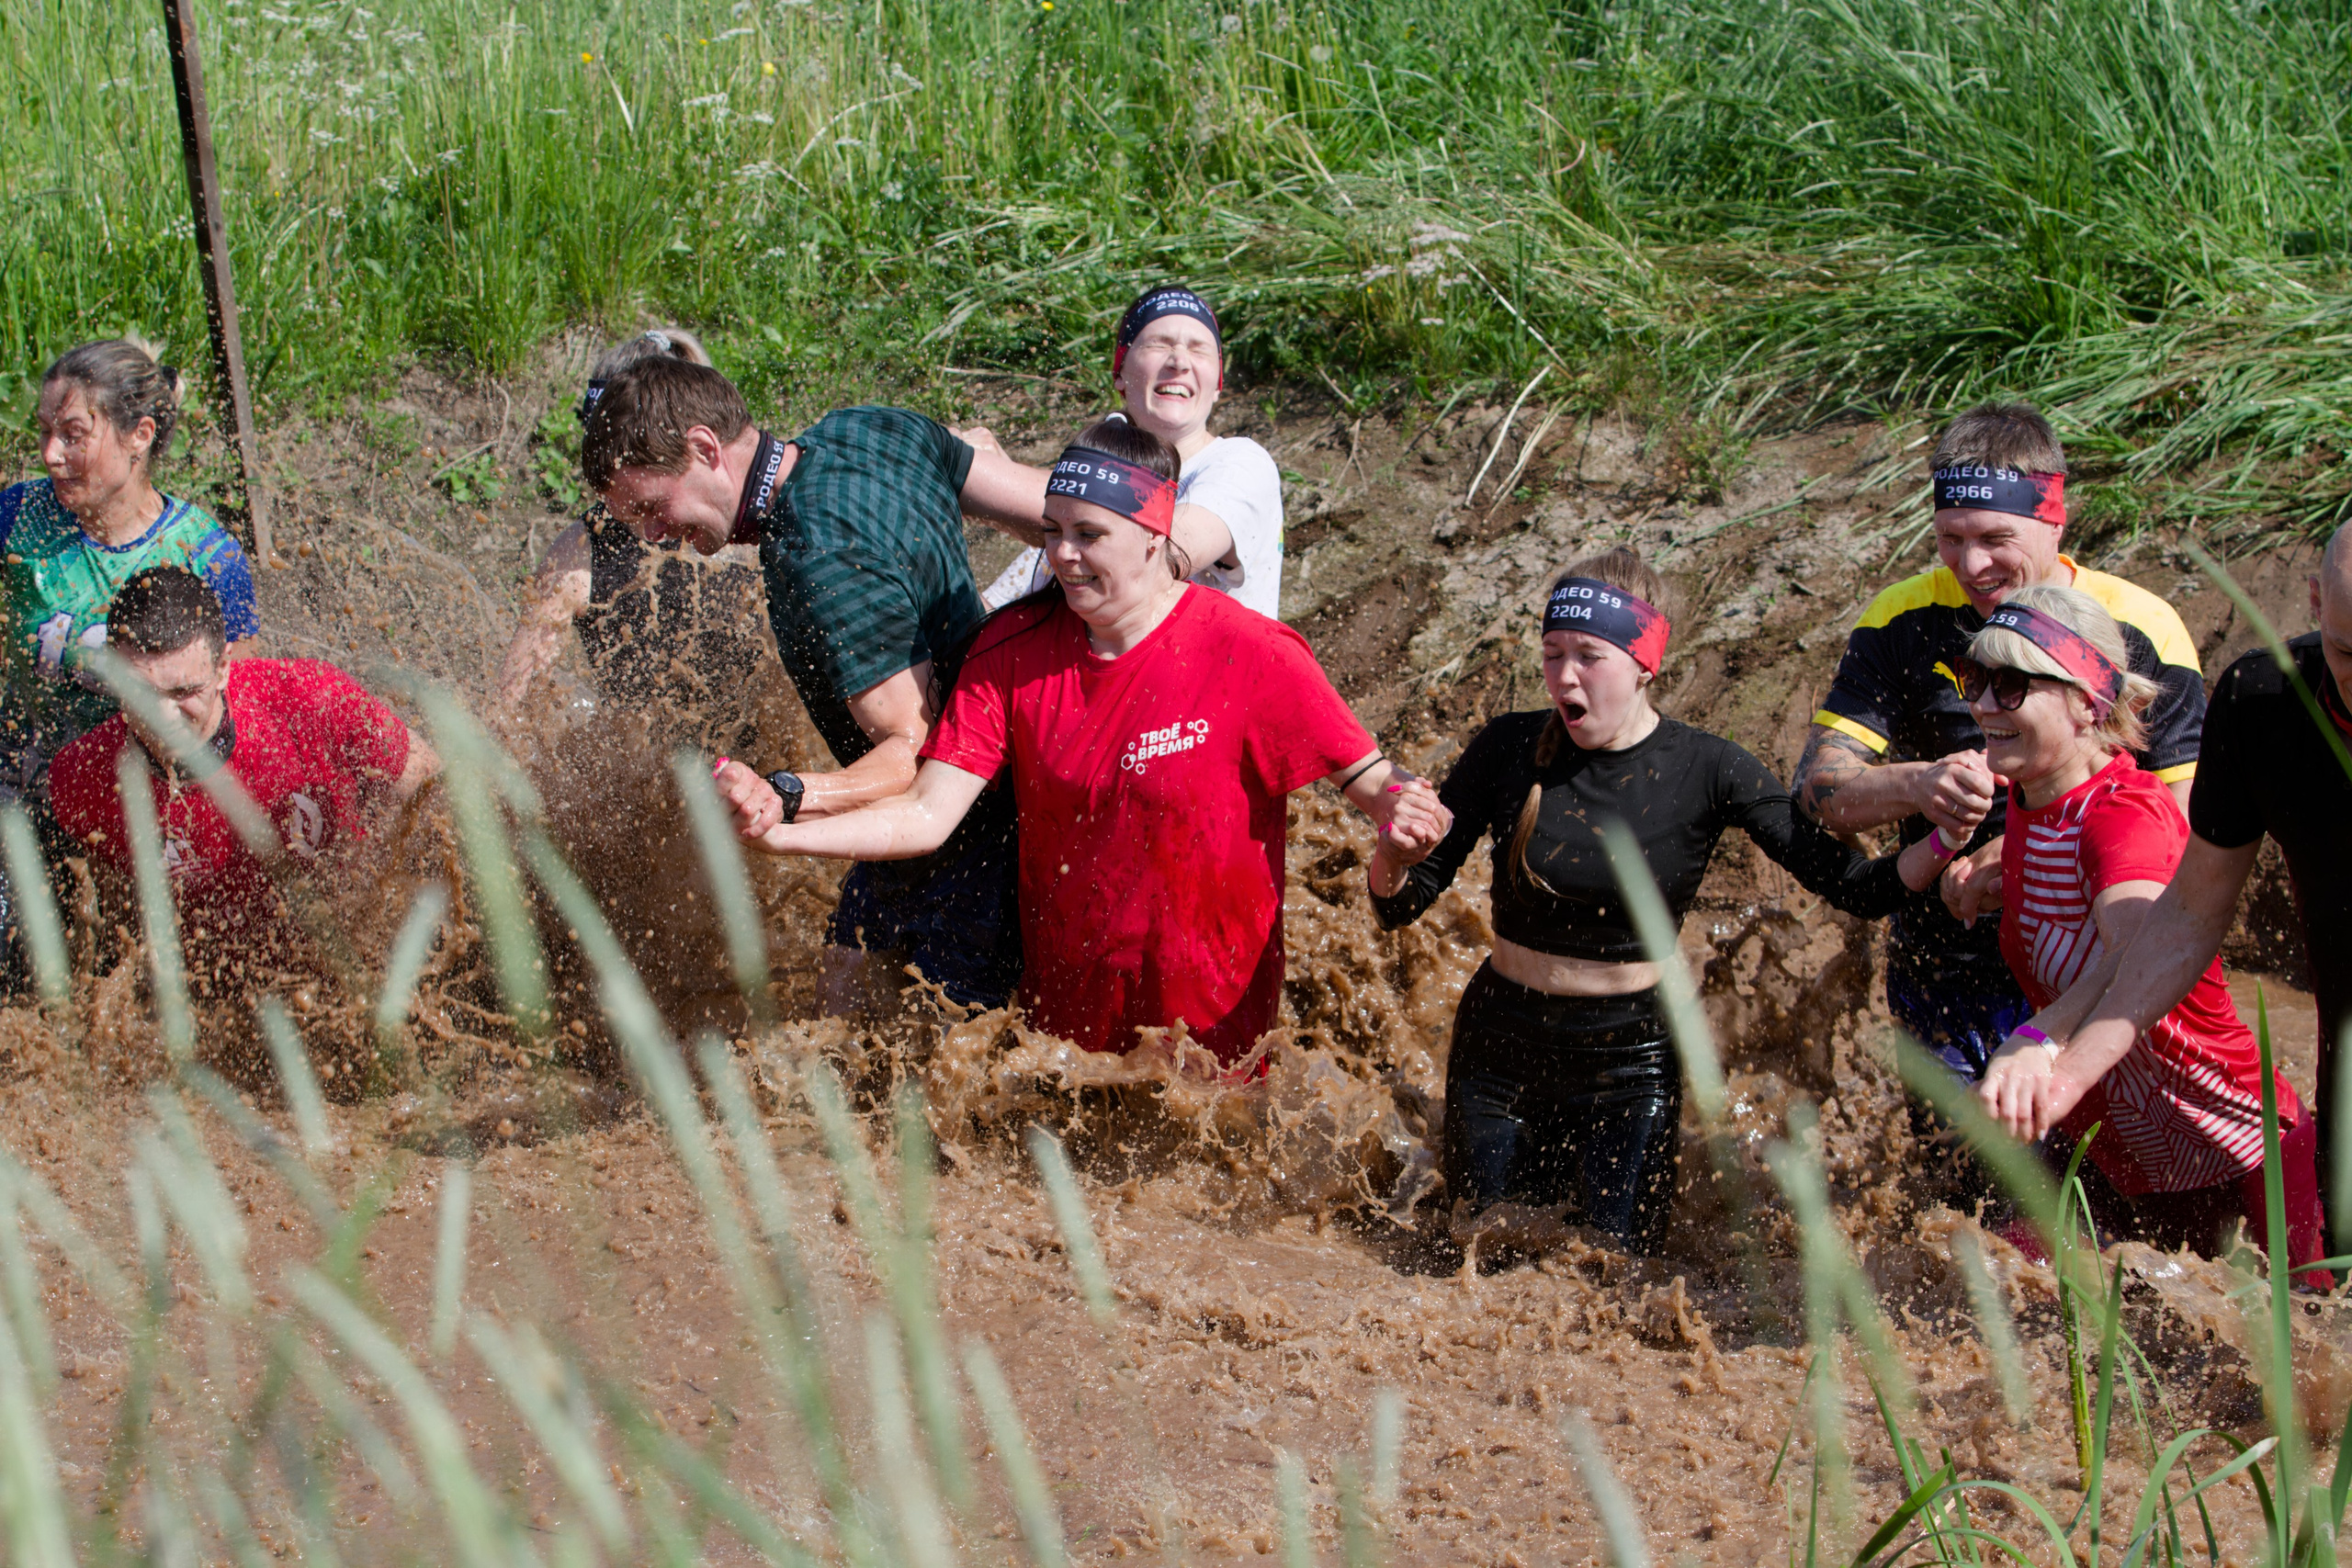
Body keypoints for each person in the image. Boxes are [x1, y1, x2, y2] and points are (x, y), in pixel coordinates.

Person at [718, 418, 1448, 1066]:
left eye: (1089, 534)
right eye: (1052, 531)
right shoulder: (1010, 649)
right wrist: (780, 831)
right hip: (1062, 1046)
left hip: (1216, 1040)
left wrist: (1405, 819)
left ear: (1156, 534)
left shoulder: (1254, 653)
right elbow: (926, 812)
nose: (1062, 556)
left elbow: (1376, 785)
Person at [1370, 549, 1969, 1254]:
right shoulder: (1506, 745)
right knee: (1472, 1258)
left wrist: (1948, 840)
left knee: (1616, 1280)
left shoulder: (1712, 768)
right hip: (1502, 1048)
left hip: (1629, 1059)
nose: (1564, 675)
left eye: (1589, 656)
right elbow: (1400, 905)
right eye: (1552, 653)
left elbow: (1854, 888)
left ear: (1644, 662)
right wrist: (1393, 857)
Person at [581, 355, 1053, 1012]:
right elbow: (1058, 512)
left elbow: (914, 747)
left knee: (912, 1070)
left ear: (704, 447)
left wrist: (788, 793)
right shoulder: (866, 429)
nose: (658, 537)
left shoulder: (816, 555)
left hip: (969, 846)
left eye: (654, 507)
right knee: (838, 1001)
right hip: (997, 804)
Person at [1792, 402, 2204, 1086]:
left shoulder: (2140, 628)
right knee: (1960, 1182)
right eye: (1950, 538)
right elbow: (1816, 789)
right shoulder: (1903, 619)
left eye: (1994, 538)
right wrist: (1916, 784)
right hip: (1944, 963)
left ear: (2055, 520)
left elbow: (2183, 827)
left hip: (2093, 954)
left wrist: (2022, 857)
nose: (1970, 564)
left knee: (2078, 1183)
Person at [1962, 588, 2325, 1277]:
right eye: (1973, 678)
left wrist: (2038, 1037)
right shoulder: (2029, 796)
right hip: (2113, 1154)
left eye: (2010, 685)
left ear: (2087, 702)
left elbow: (2137, 942)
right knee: (1991, 1290)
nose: (1981, 704)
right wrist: (1986, 873)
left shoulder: (2123, 813)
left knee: (2301, 1353)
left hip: (2232, 1156)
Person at [2037, 523, 2352, 1207]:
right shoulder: (2265, 706)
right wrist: (2068, 1071)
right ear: (2316, 602)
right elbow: (2187, 914)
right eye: (2350, 652)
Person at [46, 568, 438, 967]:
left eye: (184, 692)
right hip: (222, 982)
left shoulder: (313, 702)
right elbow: (115, 922)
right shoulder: (82, 777)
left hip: (359, 951)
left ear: (222, 669)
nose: (162, 717)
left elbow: (439, 796)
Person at [495, 329, 773, 747]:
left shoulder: (579, 549)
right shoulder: (747, 515)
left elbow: (504, 716)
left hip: (682, 776)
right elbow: (506, 715)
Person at [5, 339, 261, 789]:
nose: (50, 454)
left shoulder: (205, 558)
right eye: (45, 431)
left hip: (133, 806)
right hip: (17, 788)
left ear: (139, 435)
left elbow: (233, 714)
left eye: (73, 435)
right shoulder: (17, 518)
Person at [978, 286, 1283, 617]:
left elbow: (1165, 553)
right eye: (1159, 344)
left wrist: (984, 474)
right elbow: (989, 612)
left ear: (1217, 386)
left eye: (1199, 350)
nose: (1179, 361)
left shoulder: (1243, 464)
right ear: (1119, 373)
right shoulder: (1082, 498)